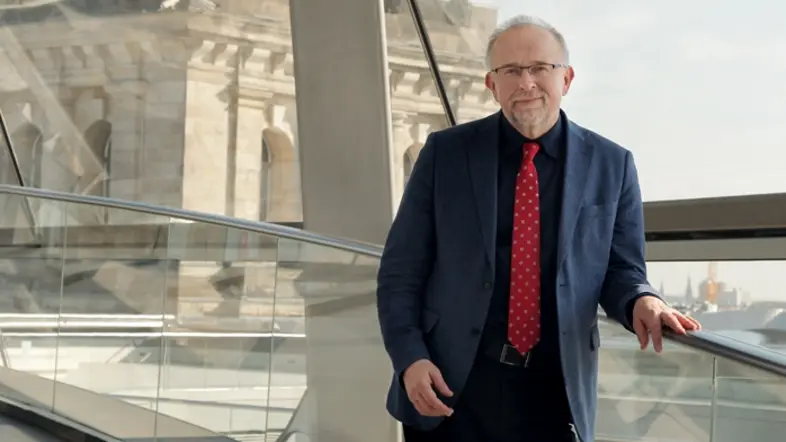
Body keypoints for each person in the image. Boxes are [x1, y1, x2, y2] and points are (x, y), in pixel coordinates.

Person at [375, 14, 701, 442]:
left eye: (539, 69)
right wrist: (410, 359)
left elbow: (622, 270)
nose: (526, 82)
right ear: (492, 85)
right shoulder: (445, 154)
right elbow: (401, 272)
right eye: (510, 71)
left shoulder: (612, 165)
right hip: (449, 386)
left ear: (566, 78)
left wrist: (642, 299)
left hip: (554, 393)